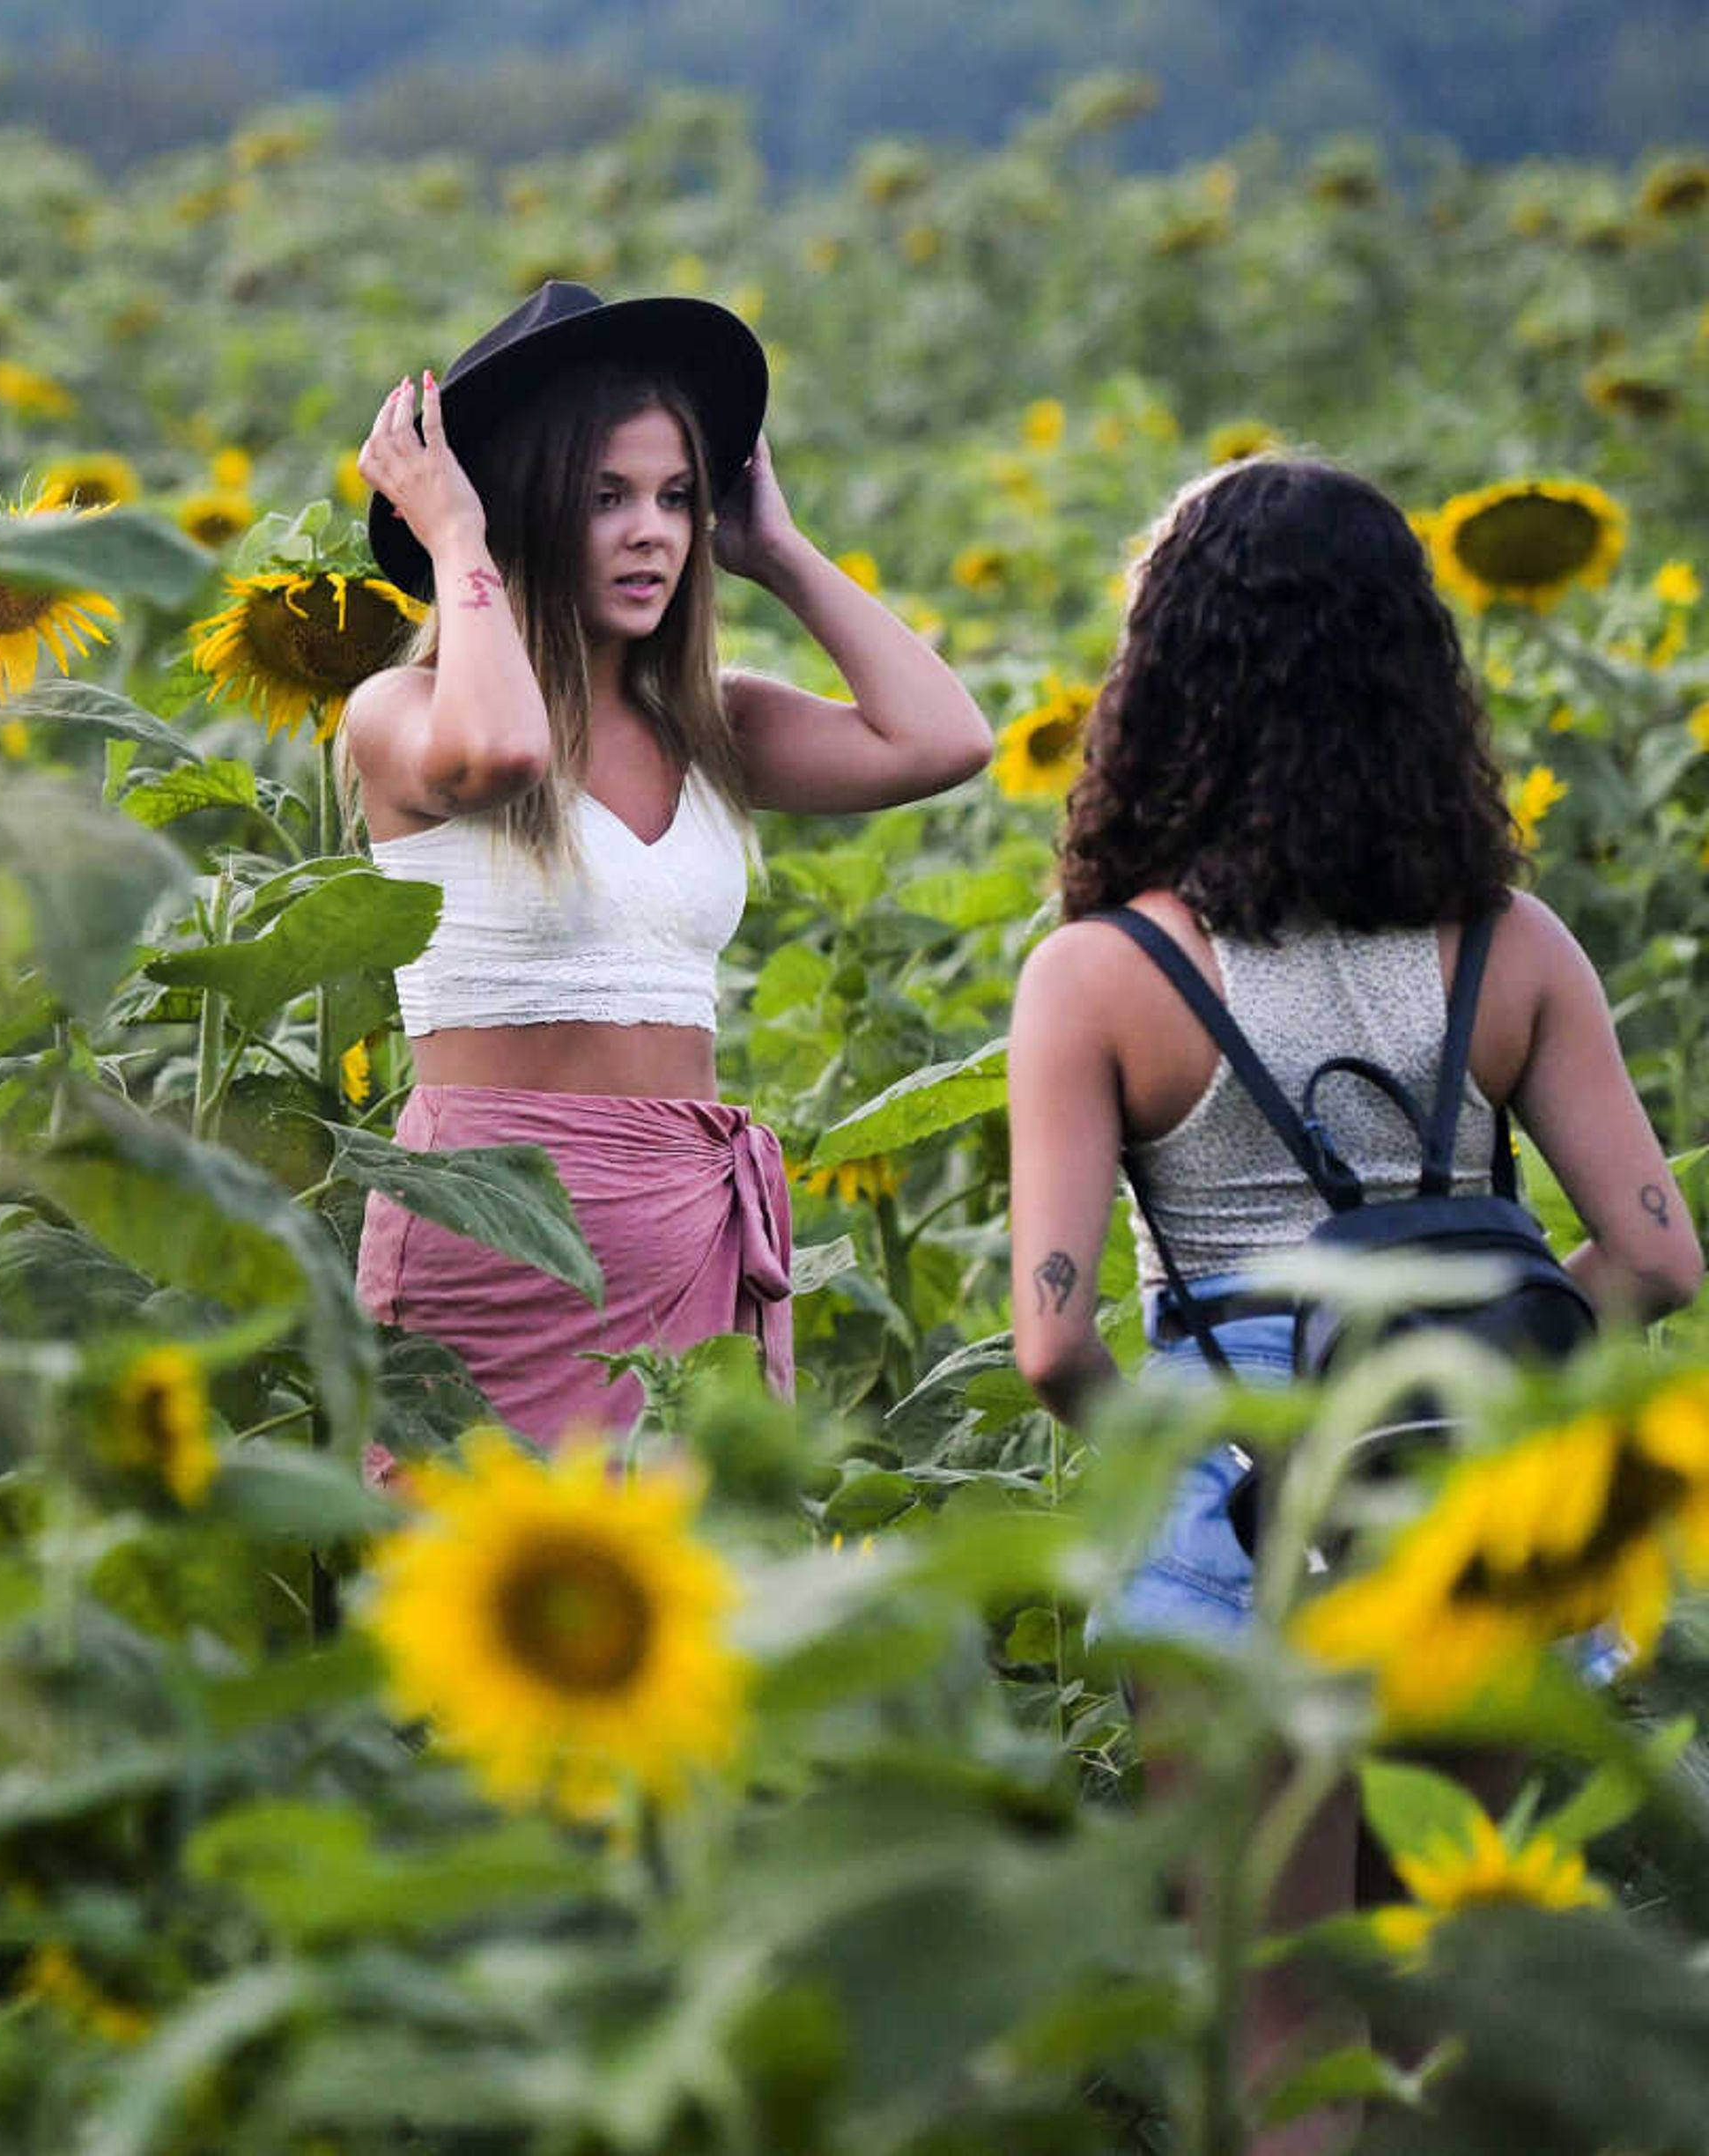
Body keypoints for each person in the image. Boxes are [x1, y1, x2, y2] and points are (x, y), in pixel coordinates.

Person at [1003, 452, 1702, 2155]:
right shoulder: (1513, 947)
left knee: (1279, 2033)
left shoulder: (1105, 974)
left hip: (1235, 1514)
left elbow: (1050, 1334)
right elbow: (1663, 1256)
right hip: (1469, 1499)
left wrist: (1204, 1464)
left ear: (1171, 678)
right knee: (1450, 1997)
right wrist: (1490, 1388)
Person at [345, 281, 991, 1448]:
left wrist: (781, 553)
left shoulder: (710, 724)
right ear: (517, 512)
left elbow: (942, 740)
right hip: (492, 1250)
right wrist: (454, 535)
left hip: (689, 1246)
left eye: (677, 497)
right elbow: (500, 751)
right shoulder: (403, 710)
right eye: (605, 498)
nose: (653, 530)